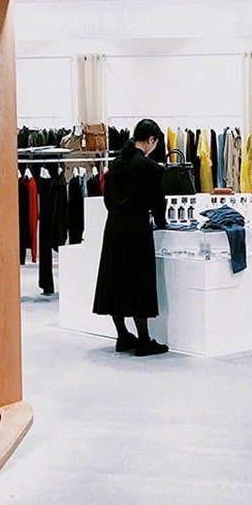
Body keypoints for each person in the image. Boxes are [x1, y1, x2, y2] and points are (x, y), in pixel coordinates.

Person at [93, 119, 170, 356]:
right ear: (151, 141)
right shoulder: (150, 168)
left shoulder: (116, 164)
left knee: (115, 281)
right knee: (139, 283)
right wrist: (161, 223)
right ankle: (144, 339)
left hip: (115, 227)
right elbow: (158, 203)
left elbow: (107, 197)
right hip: (137, 229)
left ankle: (122, 335)